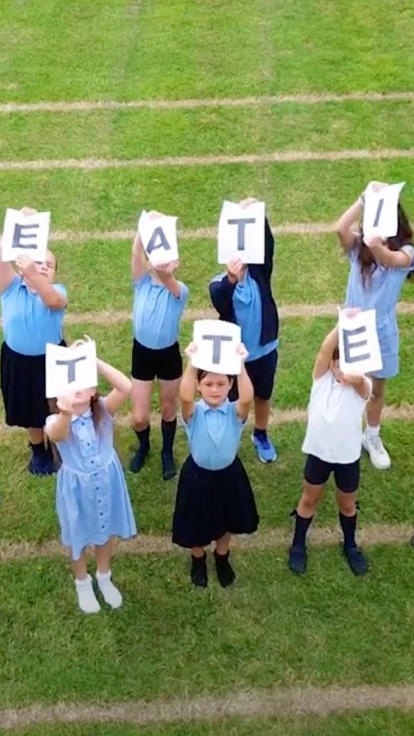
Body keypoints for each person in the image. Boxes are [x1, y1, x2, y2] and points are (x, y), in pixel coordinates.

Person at [44, 341, 137, 614]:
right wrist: (65, 412)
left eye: (83, 382)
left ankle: (104, 576)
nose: (76, 388)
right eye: (69, 385)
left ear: (94, 391)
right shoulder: (55, 421)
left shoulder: (104, 411)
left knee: (105, 529)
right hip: (76, 489)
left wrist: (92, 360)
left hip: (107, 482)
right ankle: (82, 582)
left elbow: (126, 387)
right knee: (77, 536)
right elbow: (58, 435)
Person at [336, 183, 414, 469]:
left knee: (377, 388)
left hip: (381, 328)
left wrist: (376, 243)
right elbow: (340, 229)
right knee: (347, 383)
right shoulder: (359, 247)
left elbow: (389, 258)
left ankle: (372, 435)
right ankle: (347, 433)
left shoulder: (407, 251)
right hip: (353, 325)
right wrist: (362, 198)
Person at [288, 319, 372, 577]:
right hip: (319, 454)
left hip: (347, 458)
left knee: (347, 503)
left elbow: (363, 386)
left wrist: (355, 378)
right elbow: (325, 351)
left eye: (348, 363)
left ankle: (350, 544)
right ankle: (298, 543)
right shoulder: (321, 380)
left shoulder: (362, 387)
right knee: (309, 498)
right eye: (338, 361)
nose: (341, 367)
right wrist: (342, 325)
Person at [172, 341, 259, 588]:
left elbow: (248, 397)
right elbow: (184, 395)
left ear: (230, 385)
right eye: (208, 384)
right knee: (195, 521)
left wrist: (240, 365)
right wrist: (191, 364)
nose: (214, 389)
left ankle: (222, 556)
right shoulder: (193, 413)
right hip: (197, 476)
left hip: (228, 475)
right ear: (199, 386)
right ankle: (197, 558)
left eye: (221, 384)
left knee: (227, 519)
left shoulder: (235, 412)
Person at [209, 198, 279, 464]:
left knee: (263, 396)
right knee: (234, 402)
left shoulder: (261, 272)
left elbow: (268, 246)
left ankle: (260, 434)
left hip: (265, 349)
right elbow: (220, 299)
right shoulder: (218, 283)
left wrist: (259, 216)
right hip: (236, 357)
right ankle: (230, 438)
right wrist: (230, 278)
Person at [0, 207, 67, 476]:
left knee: (58, 406)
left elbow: (52, 300)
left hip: (52, 360)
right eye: (38, 261)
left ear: (53, 274)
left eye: (47, 266)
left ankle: (61, 446)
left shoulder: (57, 292)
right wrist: (14, 229)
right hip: (18, 361)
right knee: (29, 409)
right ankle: (38, 450)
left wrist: (35, 276)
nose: (42, 267)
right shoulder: (9, 286)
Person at [130, 212, 189, 480]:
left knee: (168, 407)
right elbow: (135, 254)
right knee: (139, 416)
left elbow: (167, 280)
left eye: (170, 260)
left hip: (168, 355)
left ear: (177, 264)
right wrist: (145, 228)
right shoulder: (141, 282)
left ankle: (166, 451)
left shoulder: (179, 290)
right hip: (142, 353)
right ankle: (144, 446)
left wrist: (163, 271)